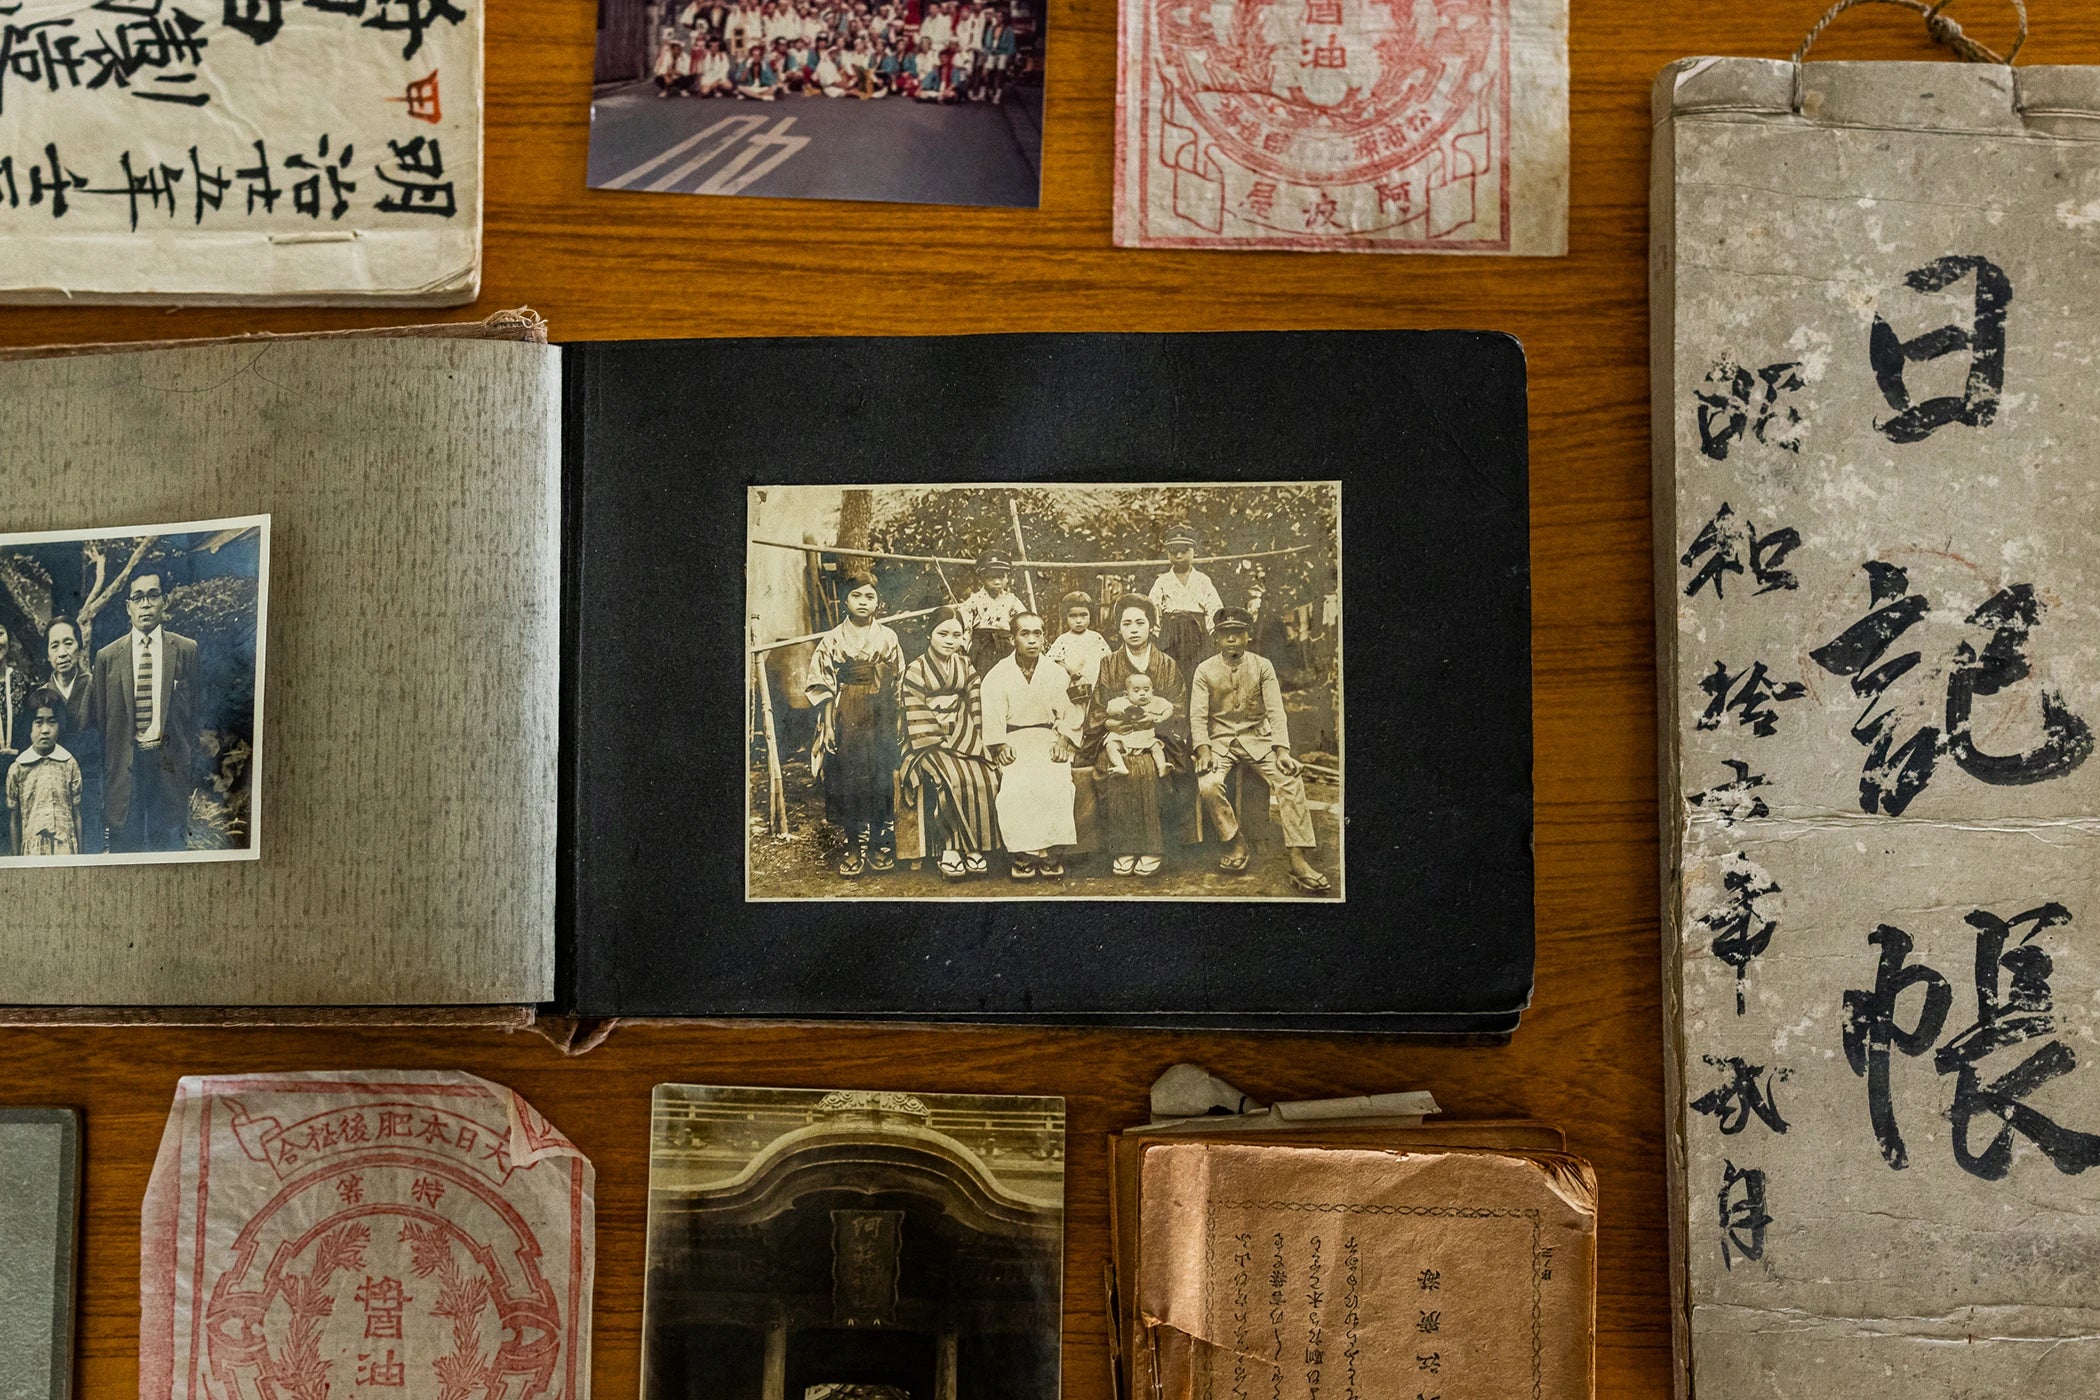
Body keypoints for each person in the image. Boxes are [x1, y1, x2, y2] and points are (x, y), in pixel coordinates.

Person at [1192, 607, 1329, 893]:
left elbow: (1276, 711)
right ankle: (1234, 841)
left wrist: (1282, 751)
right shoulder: (1204, 670)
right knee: (1208, 784)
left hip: (1258, 739)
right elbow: (1198, 715)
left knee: (1290, 779)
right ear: (1217, 638)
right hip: (1220, 742)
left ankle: (1297, 857)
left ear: (1248, 636)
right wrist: (1203, 749)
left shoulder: (1263, 666)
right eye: (1225, 634)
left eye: (1237, 633)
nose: (1231, 639)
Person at [91, 571, 201, 854]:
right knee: (125, 852)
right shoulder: (107, 658)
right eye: (138, 597)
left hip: (168, 766)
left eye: (153, 595)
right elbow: (102, 724)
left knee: (167, 852)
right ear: (128, 606)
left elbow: (195, 717)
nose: (146, 604)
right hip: (126, 768)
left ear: (165, 601)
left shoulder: (186, 650)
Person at [803, 571, 905, 879]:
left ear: (878, 602)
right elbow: (824, 684)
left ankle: (875, 844)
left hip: (881, 711)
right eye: (856, 596)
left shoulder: (888, 637)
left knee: (880, 775)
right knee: (848, 777)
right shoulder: (832, 638)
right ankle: (852, 846)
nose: (863, 602)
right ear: (845, 601)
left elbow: (898, 680)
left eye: (869, 596)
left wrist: (897, 720)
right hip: (846, 710)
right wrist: (828, 726)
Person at [1081, 595, 1187, 877]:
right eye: (1126, 623)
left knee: (1150, 769)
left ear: (1152, 626)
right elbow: (1098, 708)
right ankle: (1123, 848)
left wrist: (1154, 722)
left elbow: (1178, 707)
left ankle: (1153, 848)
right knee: (1115, 769)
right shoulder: (1109, 663)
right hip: (1118, 737)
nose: (1134, 629)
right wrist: (1111, 724)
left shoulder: (1166, 663)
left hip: (1158, 739)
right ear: (1119, 628)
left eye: (1140, 622)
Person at [899, 607, 1001, 879]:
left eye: (956, 635)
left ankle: (975, 847)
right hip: (926, 740)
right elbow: (914, 710)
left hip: (962, 734)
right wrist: (938, 739)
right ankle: (951, 848)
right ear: (929, 635)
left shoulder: (965, 664)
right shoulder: (916, 668)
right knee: (951, 778)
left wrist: (971, 734)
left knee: (985, 777)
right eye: (942, 634)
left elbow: (974, 701)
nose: (949, 640)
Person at [981, 611, 1079, 880]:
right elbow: (991, 716)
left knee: (1058, 781)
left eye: (1038, 633)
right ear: (1013, 638)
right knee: (1016, 785)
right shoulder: (998, 674)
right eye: (1025, 634)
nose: (1032, 640)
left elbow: (1069, 713)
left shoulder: (1056, 673)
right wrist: (999, 745)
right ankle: (1023, 853)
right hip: (1013, 739)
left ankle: (1051, 852)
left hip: (1049, 737)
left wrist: (1063, 740)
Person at [38, 617, 100, 854]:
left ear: (80, 647)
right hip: (53, 787)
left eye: (68, 643)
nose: (62, 653)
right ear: (47, 654)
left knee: (90, 850)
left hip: (90, 783)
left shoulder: (96, 686)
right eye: (54, 646)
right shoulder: (42, 695)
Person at [7, 688, 81, 858]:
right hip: (33, 853)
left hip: (65, 852)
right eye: (39, 722)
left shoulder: (69, 764)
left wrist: (80, 859)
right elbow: (14, 820)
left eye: (52, 722)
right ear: (29, 726)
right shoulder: (18, 768)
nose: (45, 730)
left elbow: (77, 815)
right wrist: (16, 863)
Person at [1148, 526, 1224, 681]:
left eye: (1184, 550)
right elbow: (1153, 609)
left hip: (1197, 635)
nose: (1179, 555)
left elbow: (1214, 608)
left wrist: (1213, 633)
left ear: (1194, 551)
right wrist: (1155, 634)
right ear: (1167, 553)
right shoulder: (1162, 581)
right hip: (1170, 634)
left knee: (1197, 674)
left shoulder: (1203, 580)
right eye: (1174, 551)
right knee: (1171, 675)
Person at [961, 551, 1026, 677]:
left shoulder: (1012, 600)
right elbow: (966, 626)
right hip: (982, 646)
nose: (996, 582)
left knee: (1008, 676)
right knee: (983, 676)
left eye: (1001, 577)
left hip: (1006, 645)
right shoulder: (975, 600)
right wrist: (967, 647)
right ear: (982, 578)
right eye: (990, 577)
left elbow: (1024, 621)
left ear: (1007, 578)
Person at [1101, 670, 1174, 776]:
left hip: (1144, 735)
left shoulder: (1155, 701)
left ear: (1152, 691)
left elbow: (1169, 709)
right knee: (1111, 745)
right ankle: (1120, 766)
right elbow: (1109, 710)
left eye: (1146, 689)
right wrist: (1117, 712)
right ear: (1126, 694)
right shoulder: (1122, 702)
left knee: (1156, 746)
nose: (1142, 693)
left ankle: (1161, 766)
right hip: (1124, 736)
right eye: (1136, 690)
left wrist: (1161, 717)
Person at [1046, 590, 1110, 701]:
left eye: (1083, 615)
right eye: (1073, 616)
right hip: (1071, 685)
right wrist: (1069, 670)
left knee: (1095, 705)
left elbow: (1107, 660)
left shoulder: (1096, 638)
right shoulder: (1063, 640)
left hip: (1095, 684)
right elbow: (1053, 661)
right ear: (1065, 617)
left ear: (1090, 615)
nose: (1079, 621)